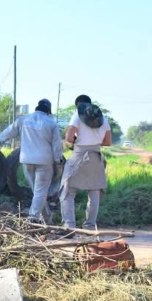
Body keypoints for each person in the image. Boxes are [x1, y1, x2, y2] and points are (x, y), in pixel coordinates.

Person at [0, 98, 63, 223]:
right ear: (48, 111)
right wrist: (58, 162)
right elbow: (57, 146)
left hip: (26, 160)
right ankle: (33, 218)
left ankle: (47, 219)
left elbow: (9, 131)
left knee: (37, 192)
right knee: (40, 192)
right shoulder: (51, 123)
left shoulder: (23, 120)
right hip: (44, 161)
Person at [60, 95, 112, 230]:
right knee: (94, 191)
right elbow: (107, 141)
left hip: (80, 155)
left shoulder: (77, 114)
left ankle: (69, 226)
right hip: (96, 155)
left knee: (67, 190)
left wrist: (75, 141)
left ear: (77, 104)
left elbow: (69, 137)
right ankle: (89, 226)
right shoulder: (102, 118)